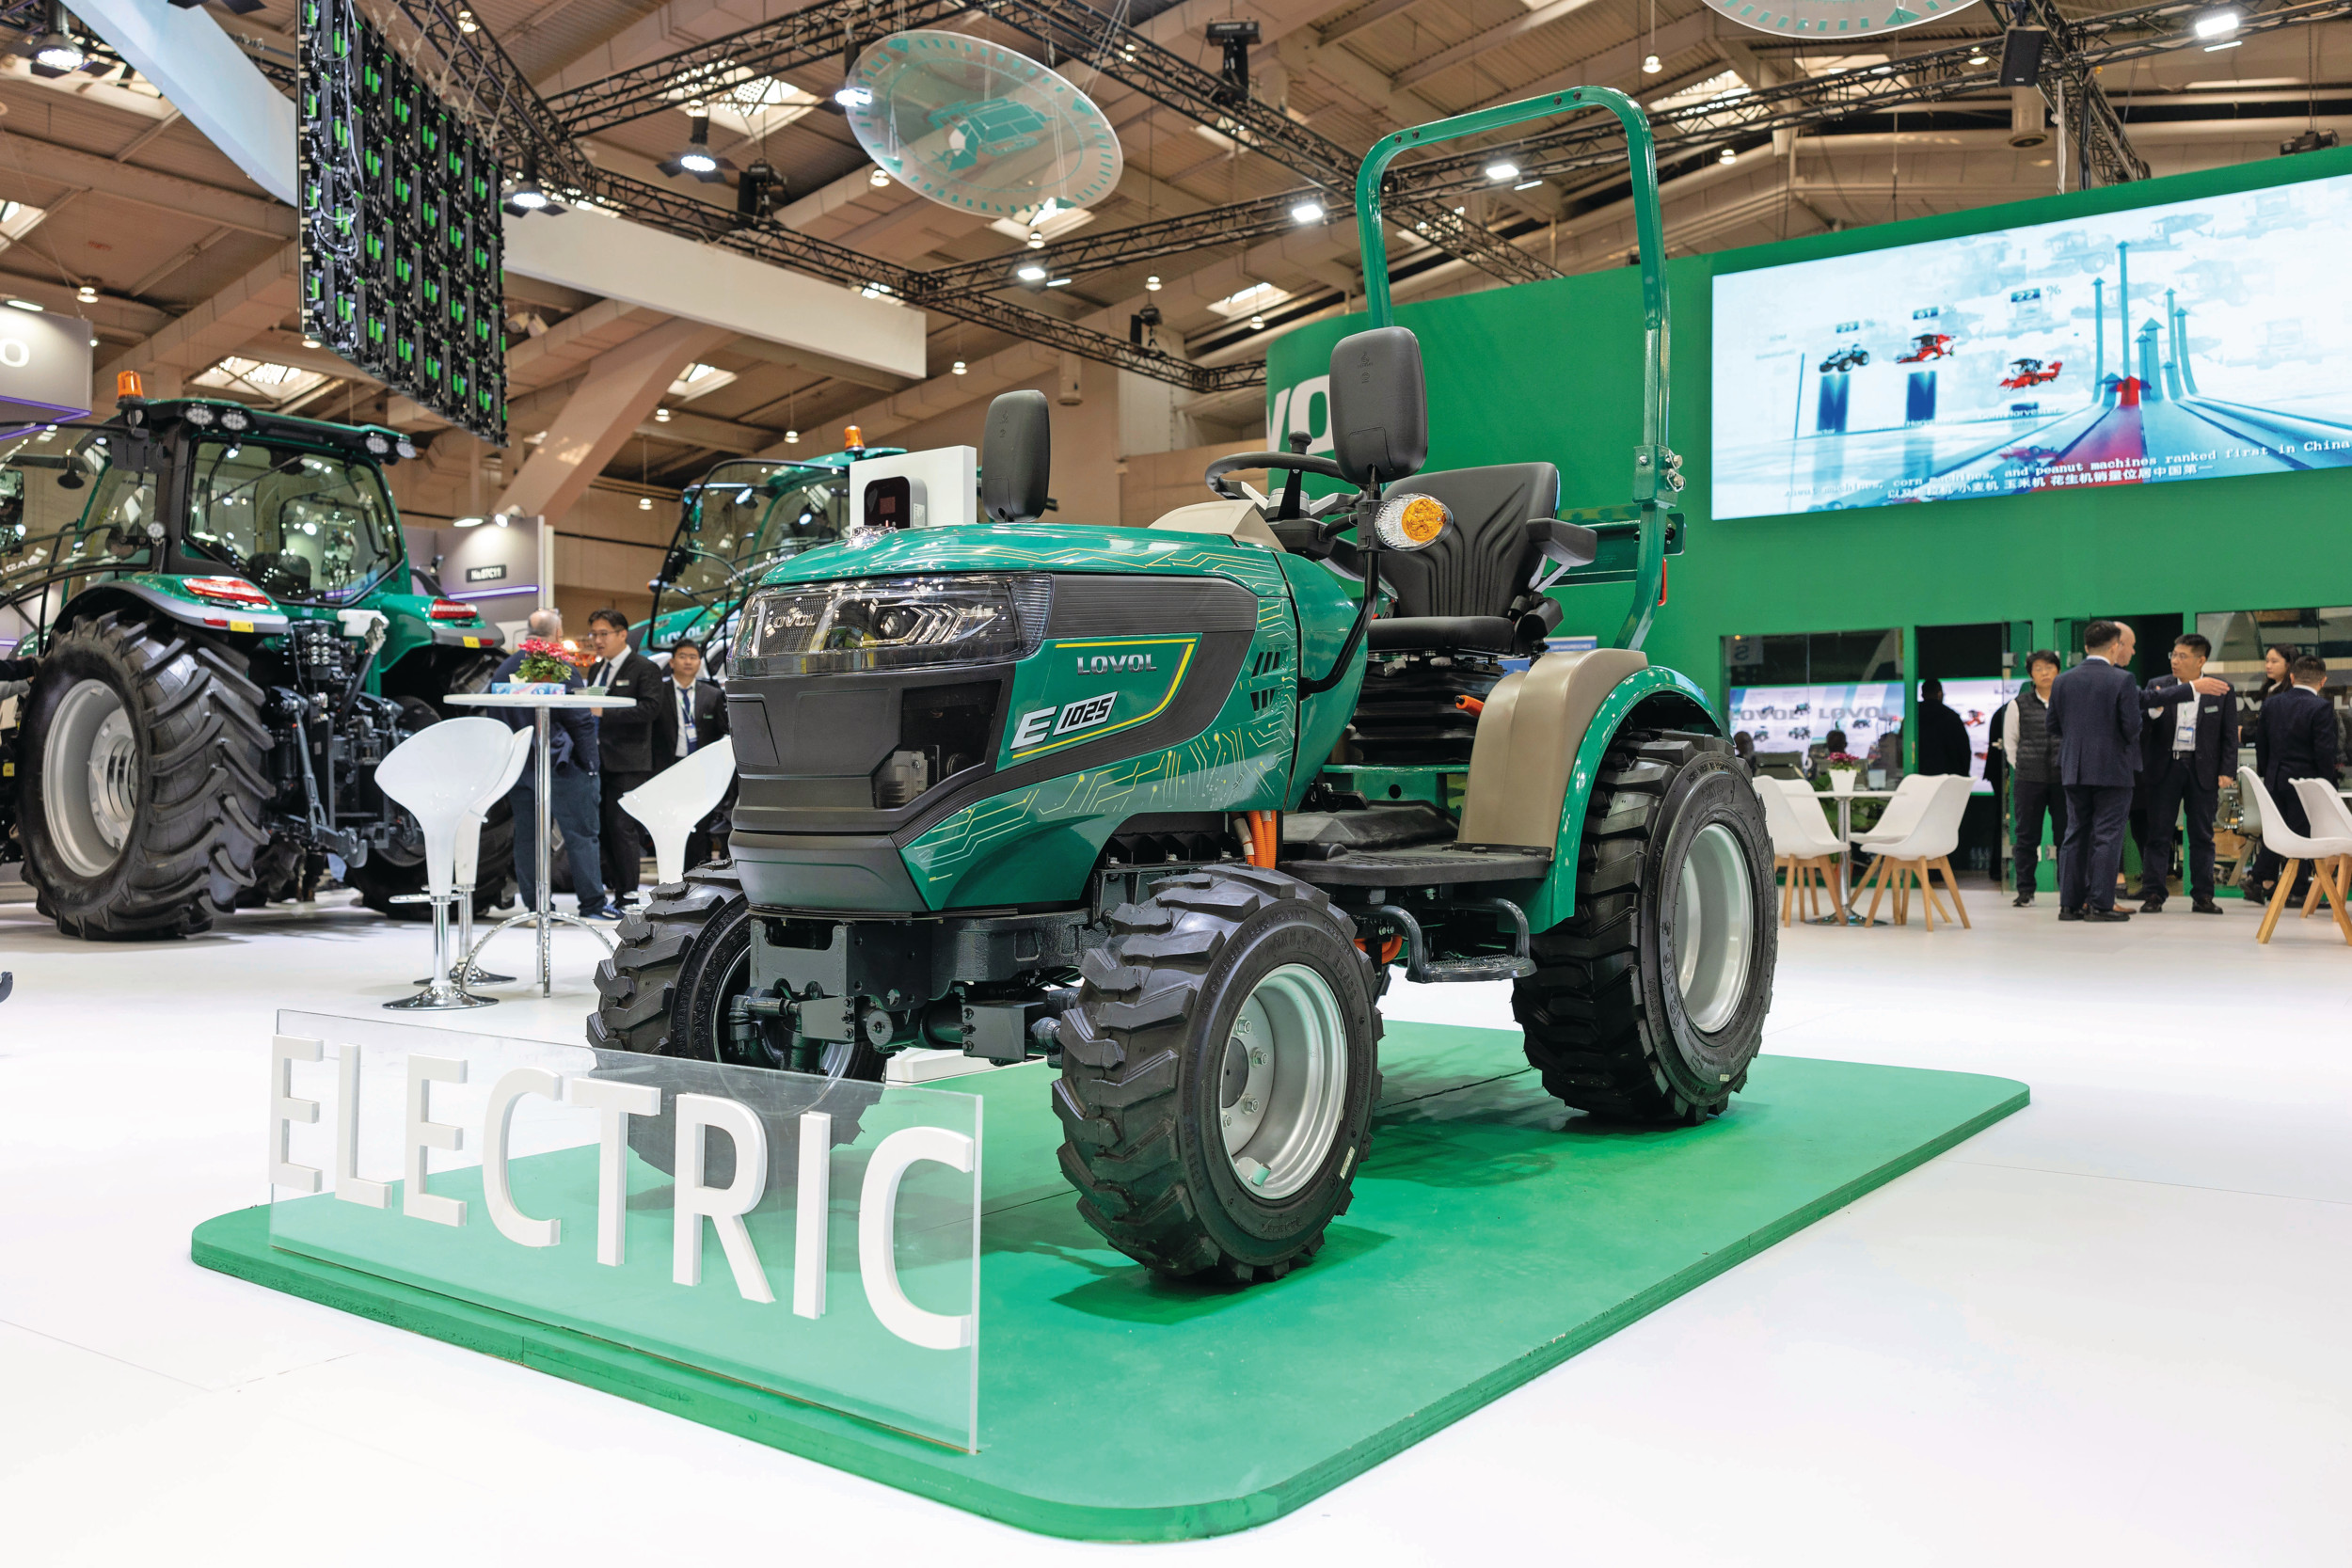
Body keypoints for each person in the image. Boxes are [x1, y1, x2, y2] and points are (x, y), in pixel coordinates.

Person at [491, 608, 612, 919]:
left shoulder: (503, 669)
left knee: (528, 838)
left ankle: (536, 906)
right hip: (563, 766)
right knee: (581, 835)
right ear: (557, 635)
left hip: (520, 769)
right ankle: (593, 905)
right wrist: (592, 765)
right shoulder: (559, 667)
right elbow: (580, 720)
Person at [2133, 633, 2237, 914]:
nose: (2175, 661)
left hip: (2201, 768)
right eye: (2173, 655)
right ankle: (2154, 893)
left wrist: (2227, 770)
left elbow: (2229, 735)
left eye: (2183, 656)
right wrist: (2154, 710)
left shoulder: (2222, 688)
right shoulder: (2158, 685)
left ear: (2201, 660)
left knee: (2202, 835)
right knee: (2158, 834)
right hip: (2163, 767)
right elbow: (2141, 725)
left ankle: (2203, 895)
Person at [2046, 620, 2141, 922]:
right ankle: (2101, 903)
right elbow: (2132, 727)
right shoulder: (2122, 680)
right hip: (2112, 770)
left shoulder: (2062, 681)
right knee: (2107, 835)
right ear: (2115, 646)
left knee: (2074, 834)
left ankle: (2069, 905)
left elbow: (2052, 726)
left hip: (2073, 768)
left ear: (2086, 646)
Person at [582, 608, 666, 908]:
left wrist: (606, 712)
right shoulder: (596, 669)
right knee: (602, 827)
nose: (597, 640)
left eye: (603, 634)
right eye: (593, 634)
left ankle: (629, 892)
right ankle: (616, 889)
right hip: (597, 759)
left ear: (621, 634)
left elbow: (650, 709)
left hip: (630, 761)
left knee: (622, 826)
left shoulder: (643, 668)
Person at [2249, 654, 2342, 900]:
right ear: (2323, 681)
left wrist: (2267, 774)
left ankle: (2262, 878)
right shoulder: (2321, 707)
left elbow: (2262, 745)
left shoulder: (2271, 704)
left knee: (2277, 831)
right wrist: (2327, 784)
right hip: (2306, 782)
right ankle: (2296, 891)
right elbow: (2324, 751)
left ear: (2292, 676)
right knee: (2301, 834)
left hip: (2275, 778)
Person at [653, 638, 733, 871]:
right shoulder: (659, 691)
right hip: (668, 769)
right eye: (682, 656)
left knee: (698, 828)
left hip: (700, 770)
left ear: (699, 663)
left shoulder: (712, 694)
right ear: (671, 661)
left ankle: (693, 881)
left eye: (693, 657)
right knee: (670, 827)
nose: (688, 661)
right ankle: (669, 878)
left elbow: (724, 731)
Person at [1993, 651, 2064, 907]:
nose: (2044, 673)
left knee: (2066, 836)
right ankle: (2025, 891)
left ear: (2058, 670)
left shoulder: (2067, 701)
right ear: (2031, 674)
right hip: (2028, 779)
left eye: (2049, 668)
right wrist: (2022, 766)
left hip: (2063, 779)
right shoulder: (2018, 704)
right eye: (2038, 669)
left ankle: (2068, 891)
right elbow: (2010, 743)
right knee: (2026, 836)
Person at [1915, 678, 1972, 777]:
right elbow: (1964, 750)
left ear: (1922, 695)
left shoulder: (1913, 715)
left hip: (1919, 775)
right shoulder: (1951, 716)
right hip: (1947, 776)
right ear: (1939, 694)